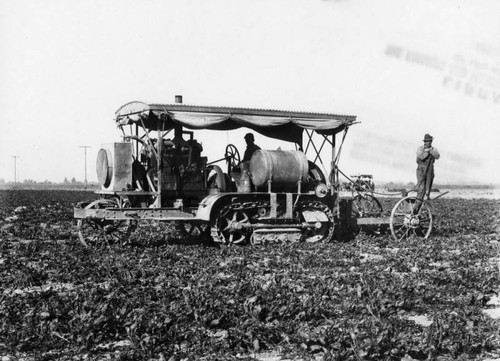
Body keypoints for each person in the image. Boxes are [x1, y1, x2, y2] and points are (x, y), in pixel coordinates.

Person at [416, 133, 440, 200]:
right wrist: (427, 152)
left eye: (430, 141)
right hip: (421, 169)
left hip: (430, 169)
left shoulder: (433, 149)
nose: (429, 142)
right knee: (421, 188)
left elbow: (437, 156)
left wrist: (431, 151)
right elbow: (421, 157)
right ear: (424, 142)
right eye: (427, 141)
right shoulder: (420, 149)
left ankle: (425, 204)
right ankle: (418, 203)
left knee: (428, 189)